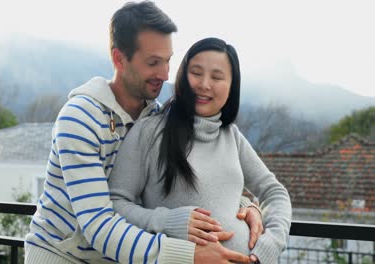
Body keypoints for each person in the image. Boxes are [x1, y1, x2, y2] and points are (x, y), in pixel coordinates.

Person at [25, 2, 262, 263]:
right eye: (153, 62)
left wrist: (242, 207)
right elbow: (98, 224)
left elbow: (182, 186)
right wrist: (189, 256)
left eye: (168, 60)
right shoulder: (80, 118)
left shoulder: (157, 120)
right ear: (119, 59)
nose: (165, 74)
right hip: (61, 256)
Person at [109, 37, 292, 264]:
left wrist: (271, 242)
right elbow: (116, 203)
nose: (205, 84)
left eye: (216, 77)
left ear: (231, 86)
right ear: (182, 76)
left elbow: (275, 193)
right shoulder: (149, 131)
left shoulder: (231, 136)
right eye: (196, 73)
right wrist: (166, 220)